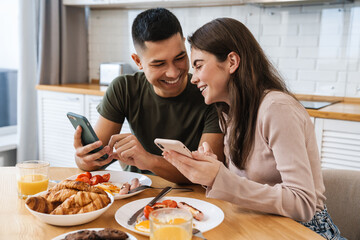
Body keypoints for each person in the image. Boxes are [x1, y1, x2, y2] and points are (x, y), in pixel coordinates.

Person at [162, 18, 345, 239]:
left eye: (199, 65)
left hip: (303, 231)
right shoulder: (229, 113)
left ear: (231, 62)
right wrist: (214, 171)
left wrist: (221, 179)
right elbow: (252, 186)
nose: (194, 78)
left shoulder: (276, 109)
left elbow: (303, 203)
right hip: (259, 223)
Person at [72, 8, 224, 184]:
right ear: (138, 61)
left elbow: (209, 173)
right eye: (159, 64)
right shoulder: (124, 88)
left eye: (180, 57)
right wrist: (82, 159)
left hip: (192, 195)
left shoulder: (209, 93)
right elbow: (92, 161)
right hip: (134, 190)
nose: (173, 73)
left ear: (184, 44)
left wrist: (148, 160)